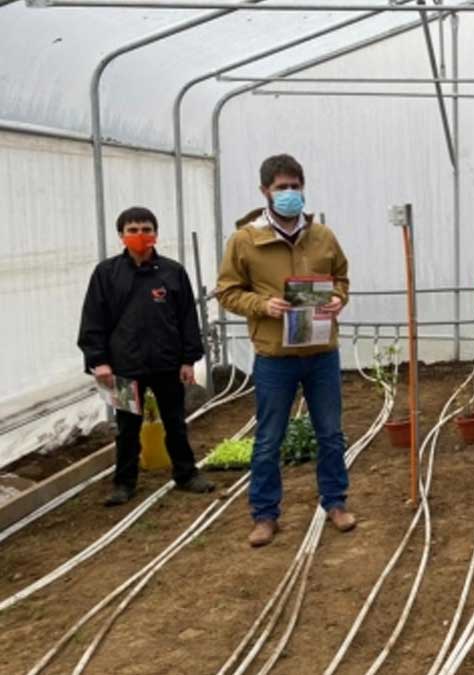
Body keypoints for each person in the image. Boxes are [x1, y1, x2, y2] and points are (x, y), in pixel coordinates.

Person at [216, 154, 356, 547]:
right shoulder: (245, 240)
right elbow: (227, 291)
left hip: (321, 352)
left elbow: (341, 277)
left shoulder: (322, 236)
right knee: (268, 439)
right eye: (282, 187)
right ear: (265, 191)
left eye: (295, 186)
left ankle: (336, 503)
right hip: (275, 356)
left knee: (331, 433)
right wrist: (262, 305)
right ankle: (264, 515)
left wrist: (338, 298)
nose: (290, 193)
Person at [77, 206, 215, 506]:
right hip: (123, 368)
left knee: (175, 423)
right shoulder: (106, 274)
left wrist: (188, 359)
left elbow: (187, 319)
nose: (140, 235)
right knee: (127, 429)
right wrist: (99, 361)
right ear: (121, 235)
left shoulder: (172, 272)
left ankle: (186, 474)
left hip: (167, 364)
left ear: (155, 234)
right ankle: (124, 483)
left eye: (146, 229)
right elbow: (93, 319)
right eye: (133, 230)